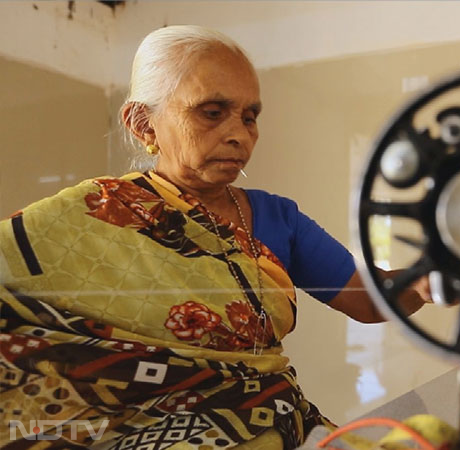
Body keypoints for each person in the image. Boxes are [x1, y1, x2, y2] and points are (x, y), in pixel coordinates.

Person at [0, 25, 429, 449]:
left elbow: (369, 299)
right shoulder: (99, 214)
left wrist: (432, 277)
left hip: (278, 426)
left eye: (250, 116)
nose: (239, 134)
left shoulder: (276, 217)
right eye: (211, 111)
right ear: (143, 124)